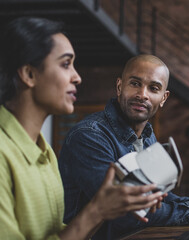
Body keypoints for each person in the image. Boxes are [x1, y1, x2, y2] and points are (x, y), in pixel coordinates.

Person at [0, 17, 164, 240]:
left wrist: (102, 208)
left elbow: (57, 234)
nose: (77, 77)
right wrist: (97, 210)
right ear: (29, 74)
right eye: (66, 64)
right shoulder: (4, 154)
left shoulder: (44, 152)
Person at [58, 54, 189, 239]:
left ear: (163, 98)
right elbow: (129, 213)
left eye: (153, 88)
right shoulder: (89, 136)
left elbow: (159, 197)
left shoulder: (147, 136)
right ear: (120, 87)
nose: (142, 94)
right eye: (135, 84)